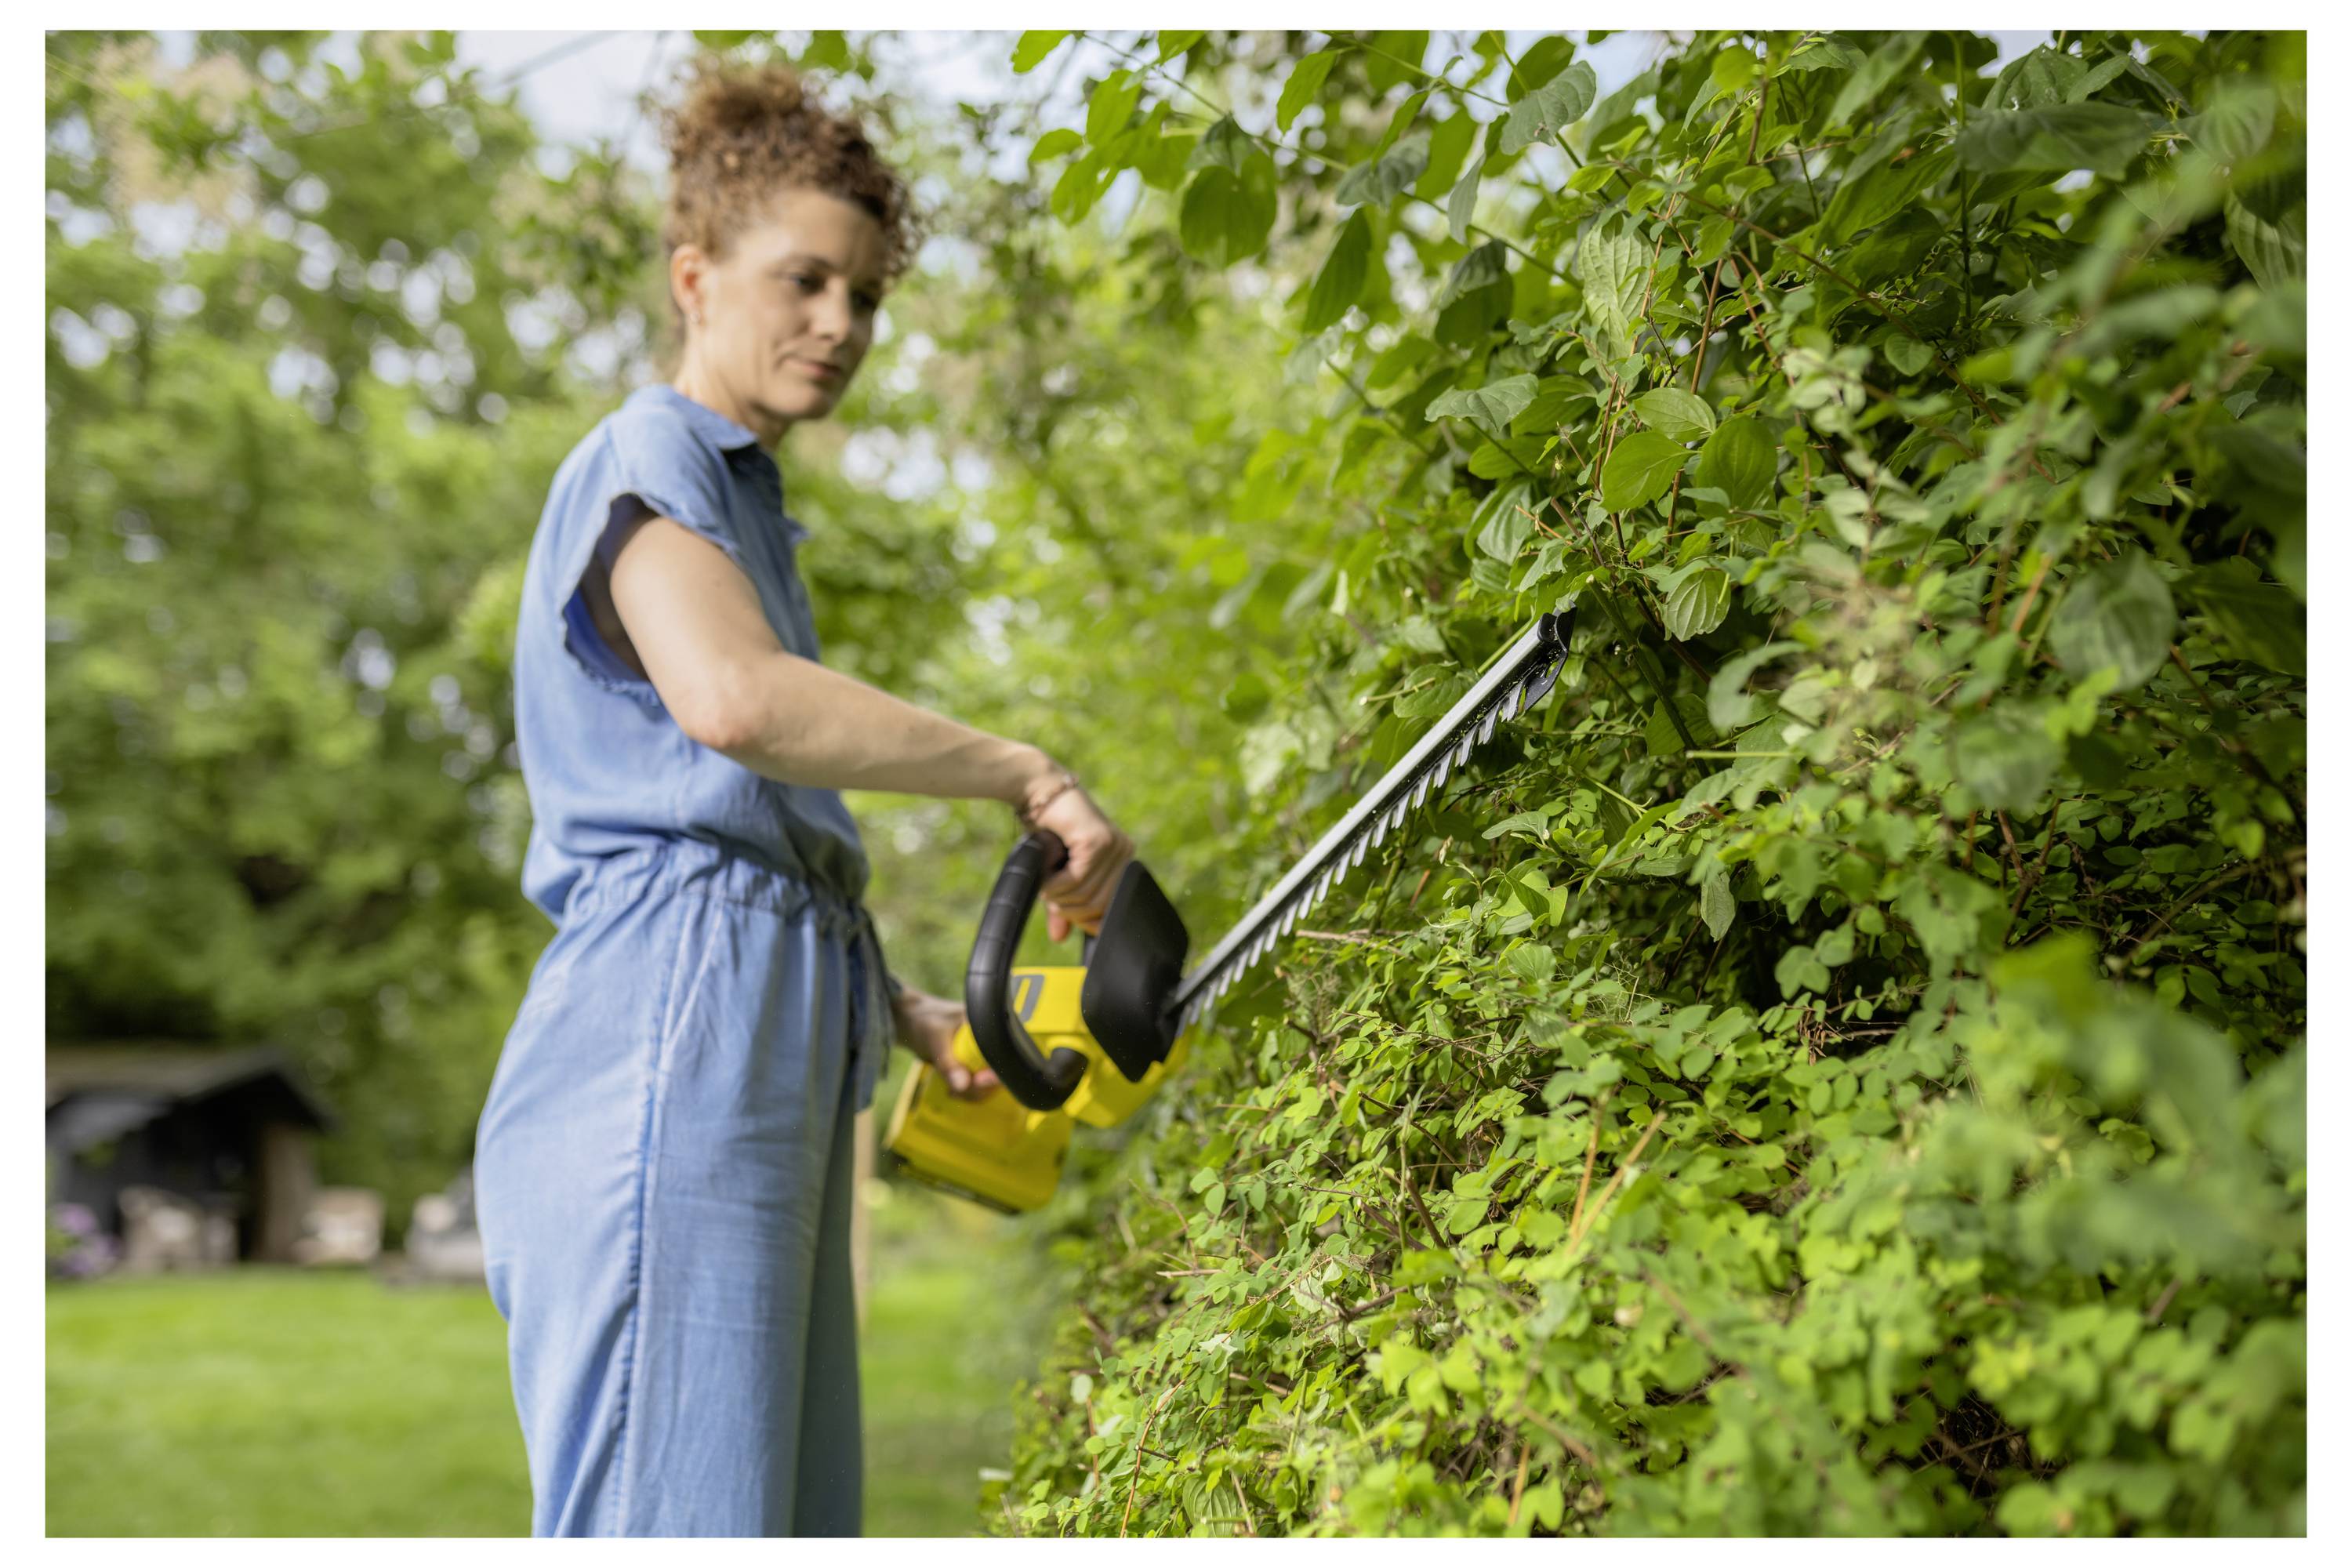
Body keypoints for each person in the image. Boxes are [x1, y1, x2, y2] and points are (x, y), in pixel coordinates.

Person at [471, 57, 1134, 1538]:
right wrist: (1022, 769)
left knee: (774, 1520)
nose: (840, 326)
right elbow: (737, 706)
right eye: (806, 281)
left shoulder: (747, 503)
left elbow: (749, 827)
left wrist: (900, 1011)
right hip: (663, 1036)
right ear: (696, 275)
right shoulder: (648, 455)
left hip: (759, 1037)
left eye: (866, 298)